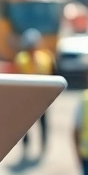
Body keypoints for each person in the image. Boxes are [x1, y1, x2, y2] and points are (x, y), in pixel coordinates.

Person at [15, 28, 54, 158]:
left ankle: (43, 145)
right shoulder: (21, 59)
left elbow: (53, 76)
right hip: (25, 99)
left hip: (42, 98)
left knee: (43, 122)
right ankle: (26, 145)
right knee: (25, 125)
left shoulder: (46, 59)